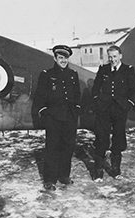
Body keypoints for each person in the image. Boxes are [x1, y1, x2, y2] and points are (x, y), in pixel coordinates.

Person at [32, 45, 81, 191]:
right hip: (53, 118)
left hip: (69, 117)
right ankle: (49, 179)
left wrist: (77, 109)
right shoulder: (47, 74)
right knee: (52, 148)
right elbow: (39, 97)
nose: (63, 60)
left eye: (65, 58)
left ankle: (64, 175)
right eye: (60, 58)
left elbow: (77, 95)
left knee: (67, 147)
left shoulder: (73, 74)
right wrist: (45, 114)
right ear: (55, 58)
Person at [91, 45, 135, 182]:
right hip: (104, 110)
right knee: (101, 139)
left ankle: (116, 170)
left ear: (120, 56)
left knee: (118, 139)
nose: (112, 60)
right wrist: (96, 101)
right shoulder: (103, 69)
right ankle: (98, 172)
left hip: (119, 110)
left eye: (115, 57)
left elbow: (134, 91)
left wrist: (129, 104)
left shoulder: (128, 70)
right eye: (110, 57)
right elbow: (96, 87)